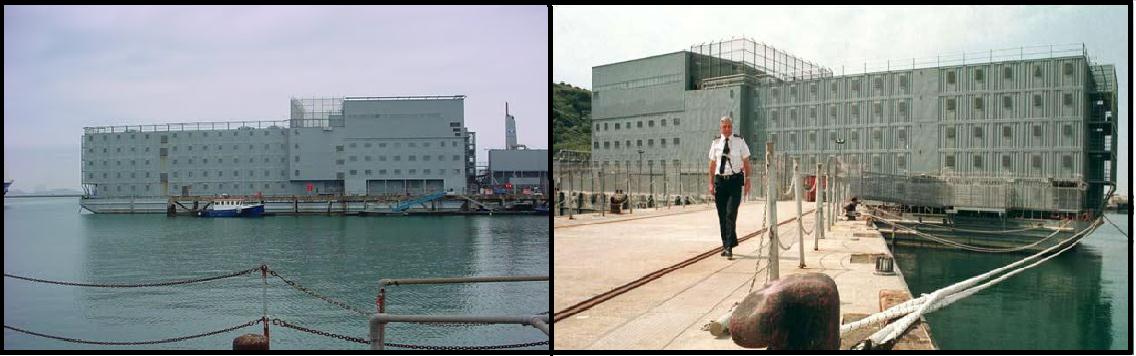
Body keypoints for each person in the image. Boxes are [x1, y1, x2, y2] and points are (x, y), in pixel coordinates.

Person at [708, 116, 751, 259]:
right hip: (720, 182)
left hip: (734, 182)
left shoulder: (739, 141)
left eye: (729, 126)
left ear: (732, 127)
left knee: (730, 214)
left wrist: (748, 180)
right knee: (722, 216)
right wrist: (710, 182)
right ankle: (726, 244)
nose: (727, 129)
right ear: (720, 128)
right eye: (724, 127)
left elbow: (746, 162)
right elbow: (712, 164)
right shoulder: (715, 142)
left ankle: (728, 248)